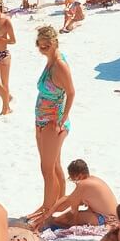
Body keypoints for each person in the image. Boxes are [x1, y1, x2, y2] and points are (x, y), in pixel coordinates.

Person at [31, 26, 74, 221]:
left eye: (46, 46)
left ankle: (46, 210)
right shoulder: (50, 61)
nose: (43, 49)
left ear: (55, 42)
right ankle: (58, 203)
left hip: (52, 121)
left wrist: (62, 118)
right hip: (42, 119)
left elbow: (71, 92)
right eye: (40, 47)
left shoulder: (59, 65)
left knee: (47, 168)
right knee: (53, 165)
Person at [28, 159, 117, 230]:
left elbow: (72, 208)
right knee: (59, 218)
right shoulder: (93, 180)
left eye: (73, 178)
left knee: (60, 220)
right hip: (109, 216)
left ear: (80, 175)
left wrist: (49, 215)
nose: (74, 181)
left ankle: (43, 220)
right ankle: (45, 218)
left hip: (106, 219)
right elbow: (69, 200)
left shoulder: (84, 184)